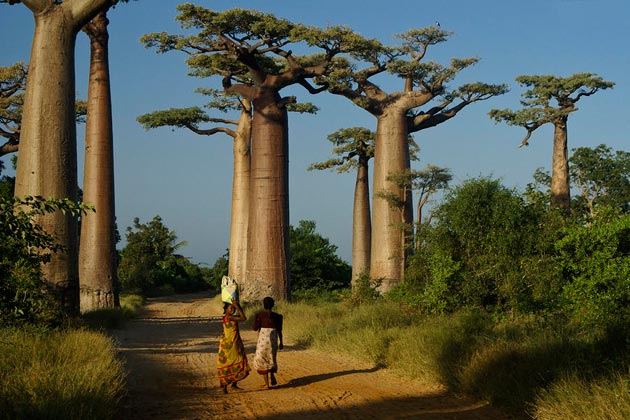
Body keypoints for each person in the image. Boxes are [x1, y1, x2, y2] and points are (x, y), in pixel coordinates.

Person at [217, 299, 250, 393]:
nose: (233, 310)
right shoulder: (229, 317)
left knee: (236, 360)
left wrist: (236, 306)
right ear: (226, 309)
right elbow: (243, 318)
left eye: (233, 308)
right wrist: (238, 306)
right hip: (230, 344)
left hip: (232, 342)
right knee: (230, 362)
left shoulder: (228, 316)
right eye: (231, 308)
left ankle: (233, 384)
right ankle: (225, 386)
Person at [252, 296, 283, 389]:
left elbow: (255, 328)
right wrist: (281, 342)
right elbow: (279, 330)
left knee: (262, 360)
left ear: (264, 305)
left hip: (263, 340)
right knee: (271, 358)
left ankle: (266, 384)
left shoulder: (260, 315)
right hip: (273, 339)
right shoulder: (278, 316)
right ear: (273, 305)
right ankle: (272, 376)